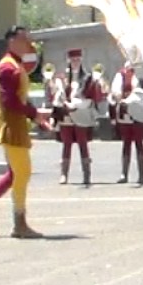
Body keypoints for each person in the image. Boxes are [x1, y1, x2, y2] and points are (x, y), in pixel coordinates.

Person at [0, 26, 52, 238]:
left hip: (14, 124)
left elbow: (18, 98)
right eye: (24, 39)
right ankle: (18, 223)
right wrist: (34, 115)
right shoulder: (9, 67)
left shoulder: (15, 64)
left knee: (16, 172)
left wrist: (35, 114)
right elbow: (11, 101)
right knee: (22, 172)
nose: (29, 43)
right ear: (12, 41)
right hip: (10, 125)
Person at [50, 49, 103, 186]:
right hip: (66, 115)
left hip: (81, 114)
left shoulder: (87, 77)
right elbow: (55, 97)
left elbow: (92, 98)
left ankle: (86, 174)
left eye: (77, 59)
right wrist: (60, 100)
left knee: (82, 143)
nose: (75, 62)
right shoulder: (61, 77)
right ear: (68, 60)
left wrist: (77, 104)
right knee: (66, 144)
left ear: (81, 60)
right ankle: (64, 174)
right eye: (73, 60)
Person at [110, 60, 143, 185]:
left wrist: (132, 100)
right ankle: (124, 174)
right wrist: (118, 97)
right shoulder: (121, 74)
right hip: (125, 111)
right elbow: (115, 89)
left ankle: (142, 174)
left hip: (139, 111)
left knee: (139, 141)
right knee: (126, 141)